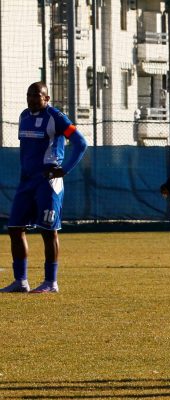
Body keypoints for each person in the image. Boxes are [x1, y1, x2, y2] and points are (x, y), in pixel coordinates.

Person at [0, 81, 88, 294]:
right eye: (29, 94)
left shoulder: (55, 117)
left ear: (46, 98)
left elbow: (80, 143)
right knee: (14, 228)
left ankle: (51, 282)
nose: (32, 98)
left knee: (48, 231)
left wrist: (64, 169)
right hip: (27, 181)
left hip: (48, 182)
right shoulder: (23, 116)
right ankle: (21, 281)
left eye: (37, 95)